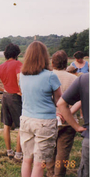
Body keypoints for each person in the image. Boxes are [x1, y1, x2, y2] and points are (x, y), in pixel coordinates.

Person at [19, 41, 62, 177]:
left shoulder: (22, 76)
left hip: (26, 120)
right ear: (44, 56)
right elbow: (59, 101)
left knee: (26, 159)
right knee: (39, 163)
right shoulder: (50, 76)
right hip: (45, 122)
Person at [0, 43, 22, 162]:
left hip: (5, 97)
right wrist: (21, 91)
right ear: (17, 54)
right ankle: (18, 154)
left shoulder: (1, 66)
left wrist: (2, 90)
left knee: (6, 125)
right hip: (16, 97)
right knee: (21, 126)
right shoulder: (18, 64)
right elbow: (19, 77)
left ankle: (9, 151)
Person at [46, 50, 78, 177]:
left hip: (49, 119)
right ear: (66, 63)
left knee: (49, 150)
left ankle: (50, 173)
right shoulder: (74, 79)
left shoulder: (46, 77)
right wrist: (67, 114)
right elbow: (79, 101)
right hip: (69, 121)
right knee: (63, 153)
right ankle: (59, 174)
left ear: (52, 63)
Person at [57, 73, 89, 177]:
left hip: (46, 120)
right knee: (62, 151)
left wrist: (76, 126)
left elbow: (61, 103)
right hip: (64, 123)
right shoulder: (73, 77)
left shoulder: (84, 79)